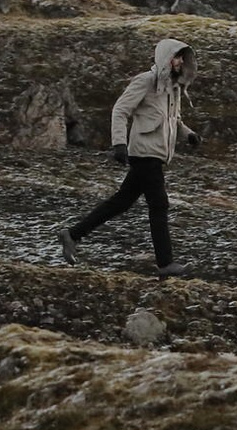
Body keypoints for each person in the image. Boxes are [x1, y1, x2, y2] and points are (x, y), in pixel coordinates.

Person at [57, 38, 198, 275]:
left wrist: (189, 134)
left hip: (156, 154)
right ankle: (165, 264)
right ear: (166, 58)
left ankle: (72, 234)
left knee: (121, 202)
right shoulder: (146, 81)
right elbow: (120, 110)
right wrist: (119, 144)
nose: (180, 61)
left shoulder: (173, 89)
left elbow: (175, 120)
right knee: (159, 204)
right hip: (145, 153)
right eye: (177, 56)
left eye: (183, 57)